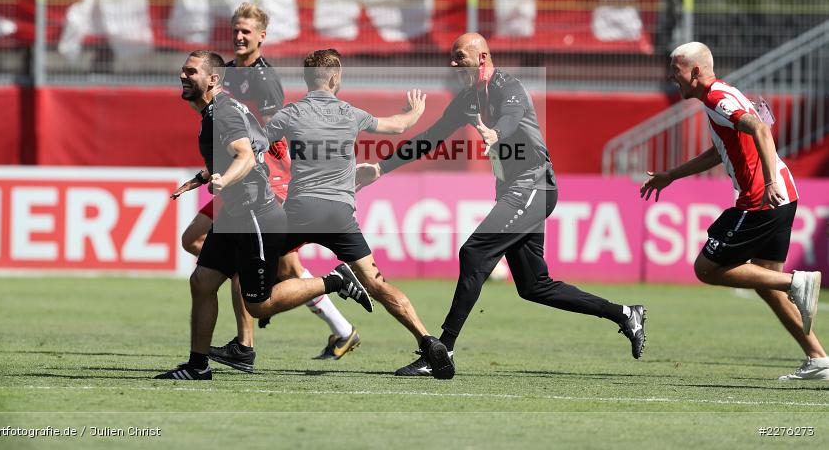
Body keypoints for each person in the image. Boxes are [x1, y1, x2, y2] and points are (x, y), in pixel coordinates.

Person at [356, 33, 647, 377]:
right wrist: (381, 167)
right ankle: (625, 314)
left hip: (533, 188)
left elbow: (510, 118)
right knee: (534, 286)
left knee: (473, 252)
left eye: (459, 56)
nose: (453, 63)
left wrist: (497, 134)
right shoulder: (467, 98)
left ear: (482, 58)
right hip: (517, 191)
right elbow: (429, 140)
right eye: (452, 57)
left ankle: (441, 350)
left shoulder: (509, 88)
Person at [155, 51, 372, 380]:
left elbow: (243, 154)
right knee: (202, 281)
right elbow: (256, 143)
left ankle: (335, 281)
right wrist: (204, 177)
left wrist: (224, 179)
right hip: (237, 213)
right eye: (183, 70)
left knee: (258, 303)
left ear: (213, 79)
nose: (183, 76)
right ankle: (197, 366)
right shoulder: (225, 108)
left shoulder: (222, 113)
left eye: (191, 72)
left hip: (255, 213)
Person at [265, 48, 456, 379]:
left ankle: (246, 339)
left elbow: (253, 144)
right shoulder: (350, 113)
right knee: (378, 285)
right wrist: (415, 112)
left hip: (299, 212)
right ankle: (427, 340)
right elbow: (397, 127)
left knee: (250, 276)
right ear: (336, 78)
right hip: (340, 215)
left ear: (306, 80)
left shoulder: (290, 114)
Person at [640, 41, 825, 380]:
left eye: (675, 70)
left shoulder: (716, 98)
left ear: (695, 72)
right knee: (765, 283)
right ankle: (818, 357)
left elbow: (760, 129)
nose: (672, 77)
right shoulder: (720, 95)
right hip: (782, 195)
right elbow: (720, 150)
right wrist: (671, 175)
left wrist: (768, 182)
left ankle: (796, 282)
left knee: (706, 269)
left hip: (761, 199)